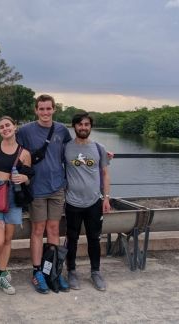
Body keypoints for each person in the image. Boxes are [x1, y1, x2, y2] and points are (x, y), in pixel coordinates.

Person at [16, 94, 71, 294]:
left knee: (54, 229)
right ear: (36, 110)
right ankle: (38, 271)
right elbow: (12, 150)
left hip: (57, 187)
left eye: (49, 109)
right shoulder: (25, 131)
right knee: (38, 230)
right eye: (42, 109)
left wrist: (100, 153)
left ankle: (53, 271)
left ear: (54, 109)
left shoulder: (62, 130)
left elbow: (72, 152)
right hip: (37, 188)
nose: (45, 112)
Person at [0, 116, 32, 295]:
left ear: (15, 126)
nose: (5, 129)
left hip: (13, 197)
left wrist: (25, 178)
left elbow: (29, 177)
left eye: (8, 125)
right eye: (1, 127)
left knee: (8, 239)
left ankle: (1, 274)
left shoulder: (24, 153)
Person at [64, 112, 111, 291]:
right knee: (72, 239)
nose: (83, 128)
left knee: (94, 239)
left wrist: (106, 198)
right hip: (72, 202)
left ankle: (96, 272)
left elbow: (105, 174)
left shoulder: (99, 148)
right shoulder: (66, 148)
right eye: (80, 125)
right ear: (74, 126)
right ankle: (72, 272)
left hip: (94, 202)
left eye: (86, 125)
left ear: (91, 127)